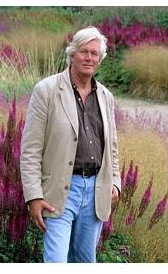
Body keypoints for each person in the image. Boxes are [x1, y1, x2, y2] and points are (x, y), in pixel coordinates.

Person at [20, 26, 121, 263]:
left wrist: (115, 182)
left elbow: (112, 146)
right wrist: (33, 196)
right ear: (72, 54)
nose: (89, 57)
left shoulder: (106, 96)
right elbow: (30, 149)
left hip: (96, 190)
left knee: (85, 261)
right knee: (56, 261)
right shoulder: (47, 90)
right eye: (83, 51)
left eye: (94, 53)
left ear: (100, 59)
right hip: (59, 191)